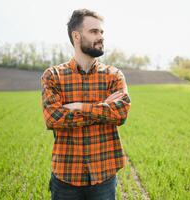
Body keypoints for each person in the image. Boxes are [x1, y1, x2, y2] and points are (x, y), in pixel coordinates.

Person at [40, 8, 131, 200]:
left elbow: (121, 114)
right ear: (76, 36)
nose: (101, 37)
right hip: (66, 176)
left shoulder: (114, 75)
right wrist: (103, 108)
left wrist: (79, 106)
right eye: (94, 31)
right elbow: (53, 119)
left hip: (104, 176)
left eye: (102, 32)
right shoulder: (53, 76)